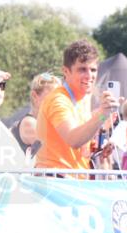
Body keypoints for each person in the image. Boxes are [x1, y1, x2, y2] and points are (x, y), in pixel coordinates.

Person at [35, 40, 119, 170]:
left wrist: (99, 150)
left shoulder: (84, 97)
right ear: (66, 71)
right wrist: (102, 113)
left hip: (76, 181)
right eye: (82, 69)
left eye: (93, 70)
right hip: (54, 181)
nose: (89, 76)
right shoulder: (58, 100)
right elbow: (73, 140)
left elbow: (82, 147)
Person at [10, 72, 60, 159]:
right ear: (34, 96)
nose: (56, 103)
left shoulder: (44, 122)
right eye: (51, 98)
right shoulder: (29, 123)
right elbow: (56, 150)